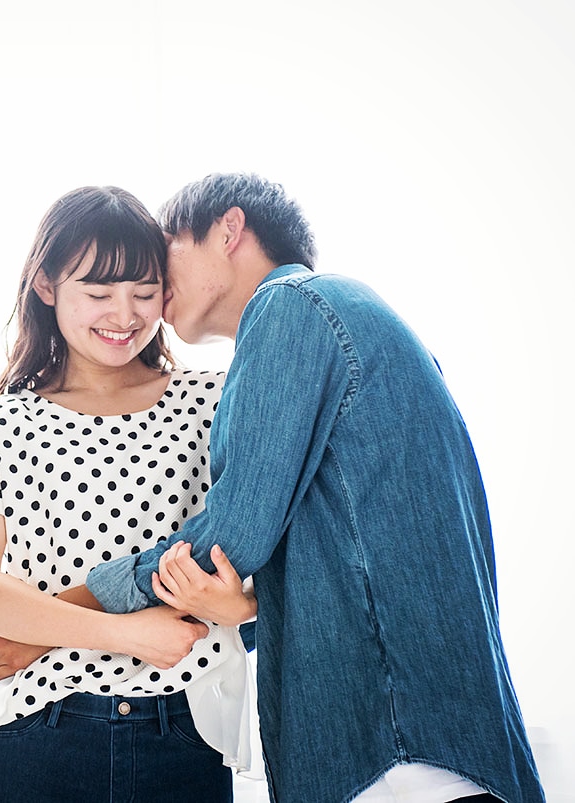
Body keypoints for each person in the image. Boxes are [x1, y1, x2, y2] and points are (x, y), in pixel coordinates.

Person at [83, 173, 545, 803]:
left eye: (167, 251)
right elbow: (346, 554)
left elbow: (233, 534)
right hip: (425, 738)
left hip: (392, 742)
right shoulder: (353, 316)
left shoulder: (292, 307)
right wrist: (246, 611)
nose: (157, 284)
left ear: (228, 229)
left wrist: (72, 608)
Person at [0, 185, 258, 801]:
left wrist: (243, 607)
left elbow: (264, 553)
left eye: (144, 292)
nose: (124, 315)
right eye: (98, 293)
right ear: (46, 286)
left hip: (184, 731)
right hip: (38, 728)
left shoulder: (216, 400)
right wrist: (131, 634)